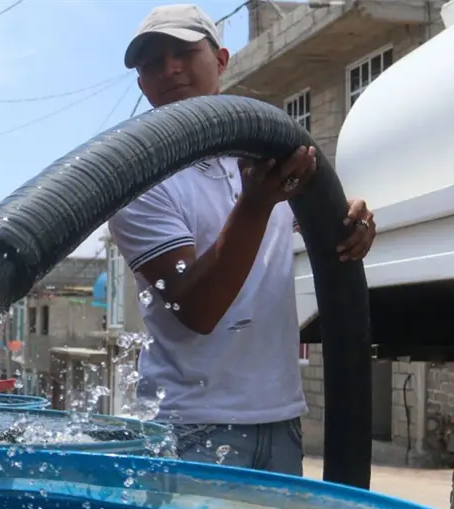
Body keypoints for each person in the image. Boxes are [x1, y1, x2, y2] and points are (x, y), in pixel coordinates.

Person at [107, 4, 377, 475]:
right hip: (189, 428)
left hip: (281, 420)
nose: (169, 68)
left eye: (184, 52)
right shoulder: (138, 181)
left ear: (222, 60)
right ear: (141, 84)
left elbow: (315, 225)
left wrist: (349, 223)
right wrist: (254, 206)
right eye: (152, 62)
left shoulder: (265, 156)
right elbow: (197, 308)